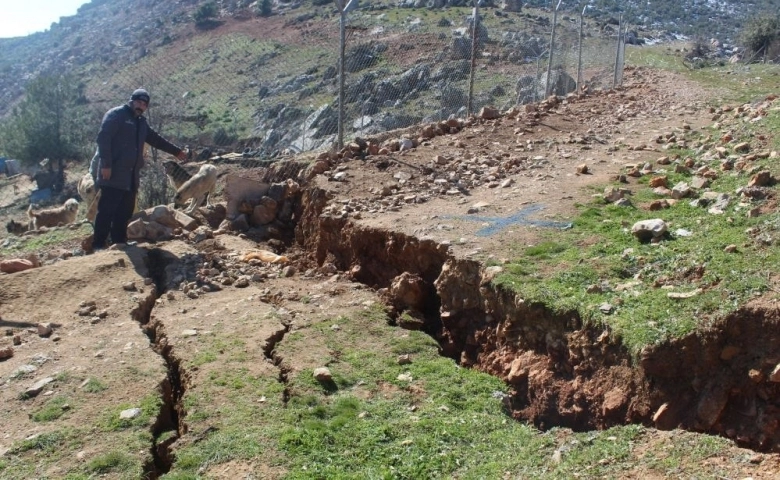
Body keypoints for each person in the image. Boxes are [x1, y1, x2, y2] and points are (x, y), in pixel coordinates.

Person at [92, 88, 187, 251]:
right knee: (106, 210)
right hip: (113, 173)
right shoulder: (116, 115)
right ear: (131, 101)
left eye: (144, 104)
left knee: (124, 211)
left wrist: (176, 152)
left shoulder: (141, 123)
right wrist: (106, 165)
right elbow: (103, 139)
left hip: (131, 176)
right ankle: (98, 245)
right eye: (138, 102)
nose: (141, 106)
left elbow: (156, 140)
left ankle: (120, 241)